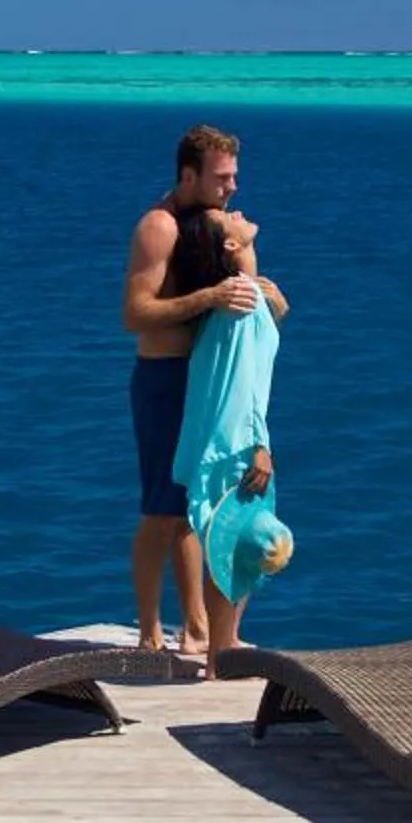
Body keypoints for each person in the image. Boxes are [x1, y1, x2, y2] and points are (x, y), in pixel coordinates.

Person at [122, 127, 259, 661]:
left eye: (234, 176)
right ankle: (149, 631)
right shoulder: (160, 227)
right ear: (187, 175)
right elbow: (136, 312)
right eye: (221, 177)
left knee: (199, 506)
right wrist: (208, 297)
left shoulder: (218, 224)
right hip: (164, 379)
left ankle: (198, 627)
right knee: (163, 510)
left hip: (207, 378)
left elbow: (246, 297)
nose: (232, 187)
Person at [169, 208, 292, 665]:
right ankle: (219, 658)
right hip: (237, 437)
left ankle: (226, 643)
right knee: (237, 544)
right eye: (229, 218)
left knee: (235, 540)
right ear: (230, 245)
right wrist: (260, 444)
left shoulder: (239, 297)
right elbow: (247, 379)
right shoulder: (242, 299)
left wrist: (276, 313)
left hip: (219, 434)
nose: (237, 211)